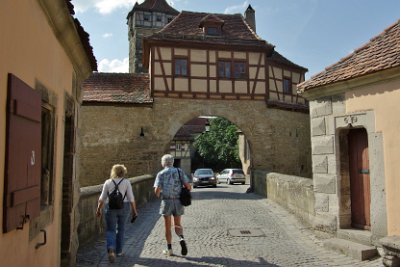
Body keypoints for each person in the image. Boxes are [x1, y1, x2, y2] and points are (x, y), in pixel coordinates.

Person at [96, 164, 138, 263]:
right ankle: (119, 251)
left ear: (113, 172)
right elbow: (131, 198)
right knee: (121, 229)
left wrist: (98, 209)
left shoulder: (108, 182)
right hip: (124, 207)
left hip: (110, 208)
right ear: (123, 172)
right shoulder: (126, 182)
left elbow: (102, 198)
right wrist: (134, 211)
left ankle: (111, 248)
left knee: (110, 229)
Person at [154, 154, 191, 256]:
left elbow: (157, 191)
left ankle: (169, 249)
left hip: (166, 201)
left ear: (163, 163)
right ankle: (181, 238)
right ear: (172, 162)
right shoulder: (179, 171)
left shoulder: (160, 174)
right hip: (178, 201)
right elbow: (188, 186)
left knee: (167, 226)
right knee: (178, 224)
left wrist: (160, 194)